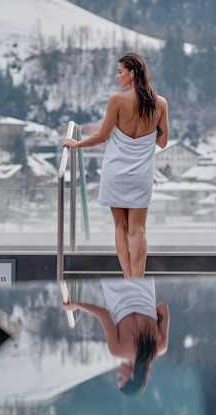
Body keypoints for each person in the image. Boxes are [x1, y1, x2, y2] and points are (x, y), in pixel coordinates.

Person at [63, 53, 169, 277]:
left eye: (120, 71)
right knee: (138, 229)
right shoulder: (160, 104)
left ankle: (128, 278)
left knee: (120, 227)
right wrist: (147, 133)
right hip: (141, 174)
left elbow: (102, 136)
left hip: (116, 172)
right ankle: (138, 280)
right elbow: (163, 141)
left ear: (131, 74)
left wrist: (77, 143)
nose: (117, 76)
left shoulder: (117, 101)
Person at [64, 278, 170, 395]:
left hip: (142, 279)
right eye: (120, 378)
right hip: (114, 282)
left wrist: (150, 318)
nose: (117, 374)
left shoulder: (160, 346)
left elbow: (162, 307)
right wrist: (77, 305)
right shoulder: (118, 350)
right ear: (132, 376)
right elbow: (103, 314)